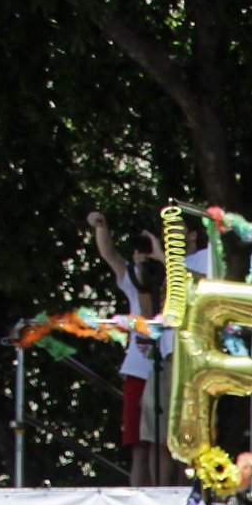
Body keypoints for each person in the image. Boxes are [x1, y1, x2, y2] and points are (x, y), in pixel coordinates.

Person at [90, 210, 170, 489]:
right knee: (138, 444)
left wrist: (161, 257)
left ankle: (161, 494)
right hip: (138, 370)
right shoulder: (132, 283)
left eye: (145, 250)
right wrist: (101, 225)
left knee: (161, 444)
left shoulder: (172, 282)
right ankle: (138, 496)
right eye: (137, 251)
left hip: (167, 371)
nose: (140, 256)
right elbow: (110, 255)